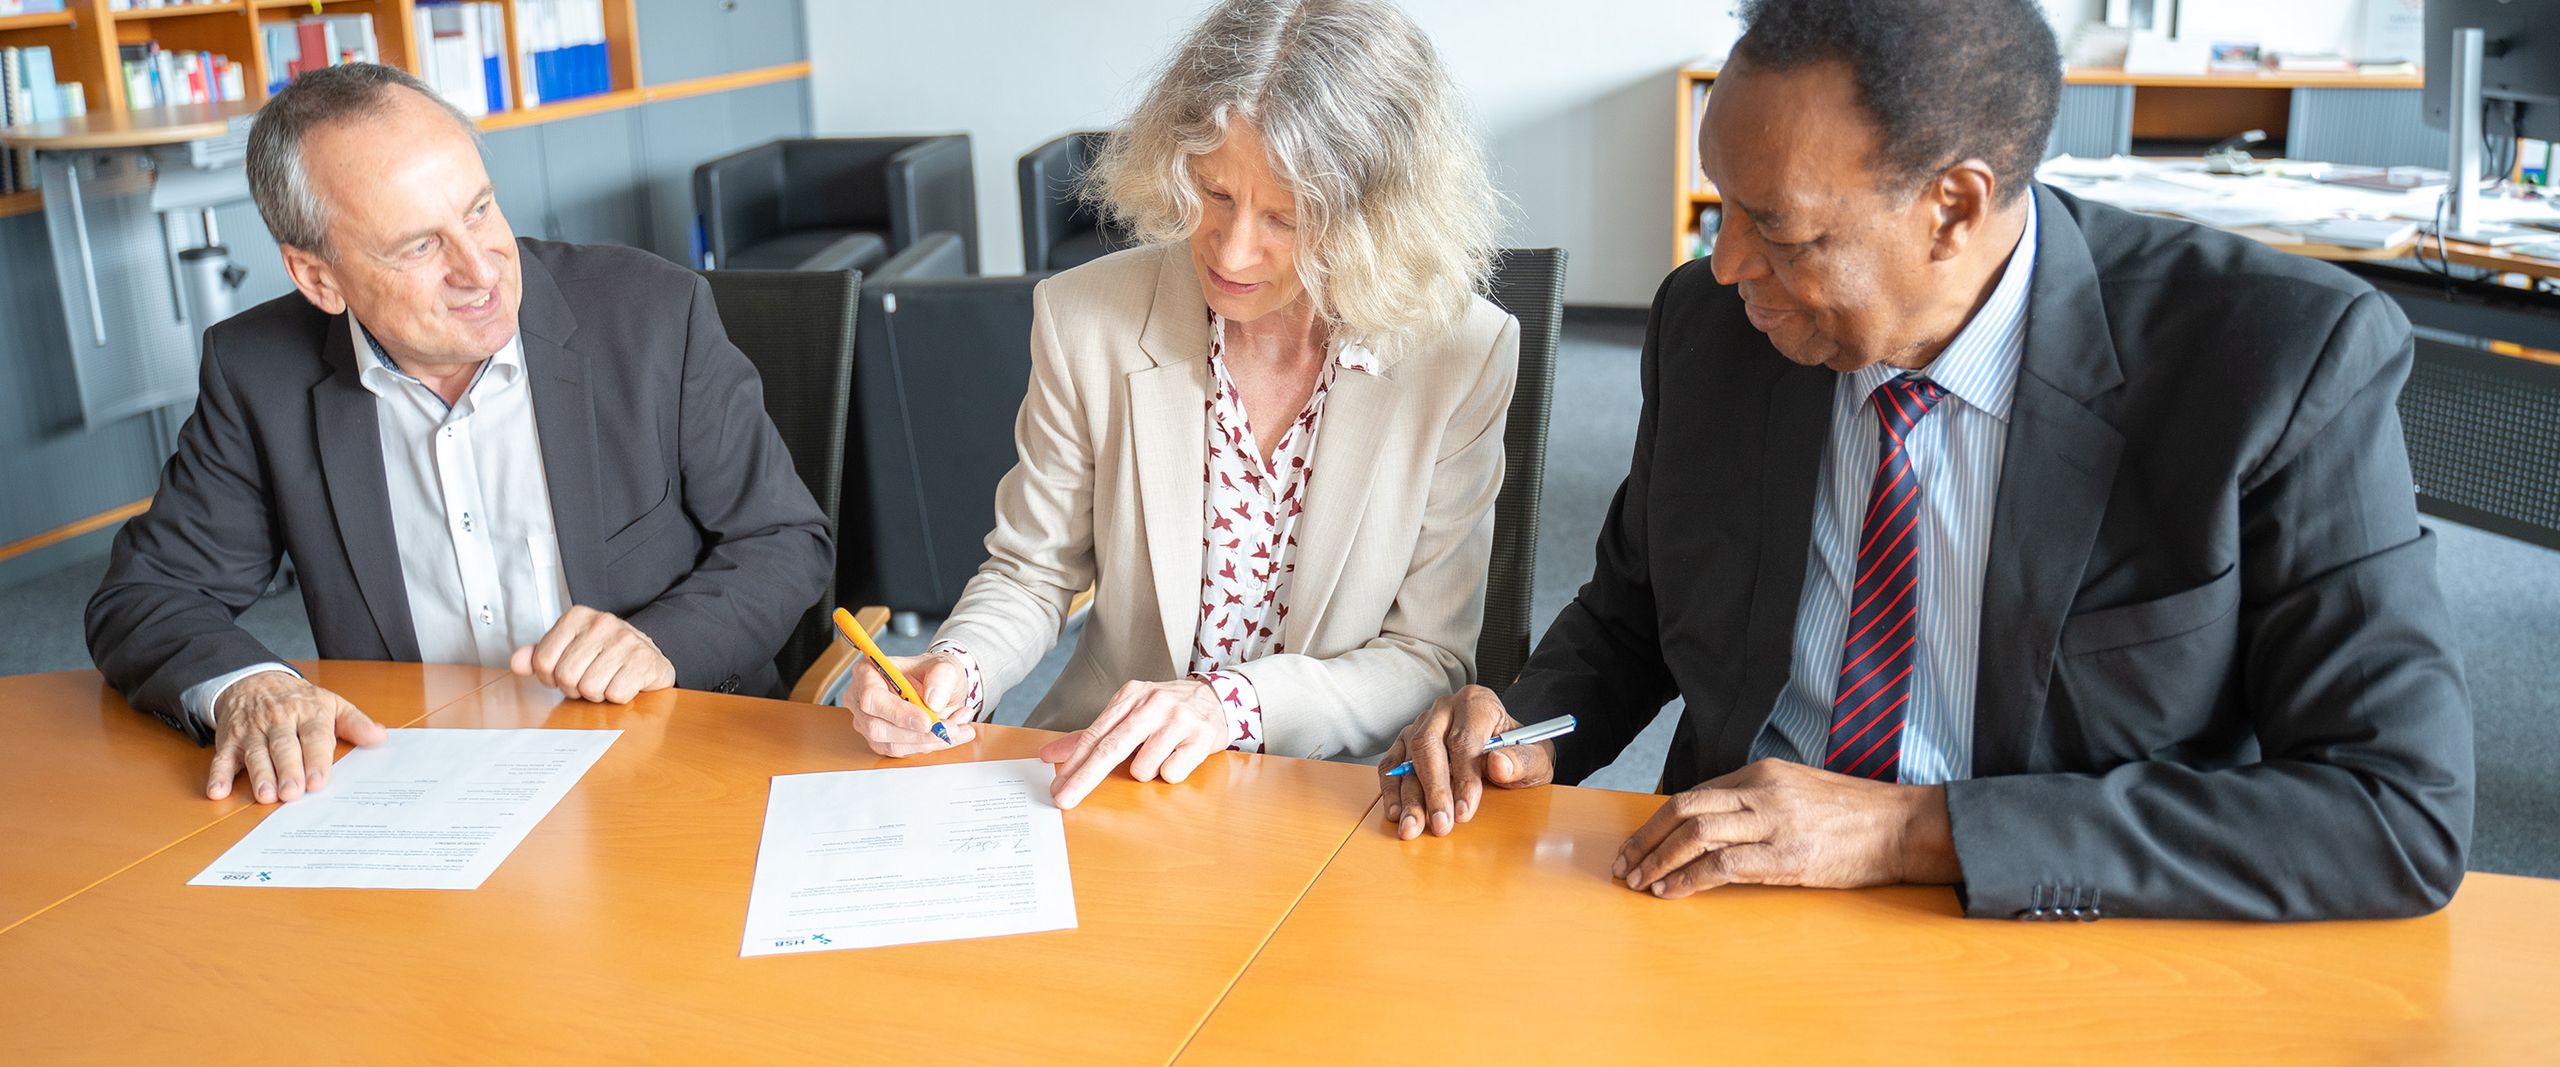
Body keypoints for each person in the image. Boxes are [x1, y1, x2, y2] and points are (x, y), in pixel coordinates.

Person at [1380, 0, 2473, 921]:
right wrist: (1525, 720)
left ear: (1952, 207)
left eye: (1777, 227)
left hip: (2050, 924)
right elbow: (1636, 611)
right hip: (1721, 910)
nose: (1725, 265)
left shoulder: (2268, 363)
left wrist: (1915, 830)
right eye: (1720, 207)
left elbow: (2392, 808)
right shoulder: (1714, 328)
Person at [86, 63, 832, 806]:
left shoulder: (652, 315)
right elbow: (147, 593)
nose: (481, 269)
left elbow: (785, 538)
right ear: (319, 279)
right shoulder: (260, 373)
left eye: (479, 209)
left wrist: (660, 642)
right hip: (427, 798)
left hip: (669, 769)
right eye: (419, 247)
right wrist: (251, 686)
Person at [843, 0, 1517, 809]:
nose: (1231, 251)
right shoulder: (1083, 316)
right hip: (1112, 780)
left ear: (1373, 220)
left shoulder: (1458, 354)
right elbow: (1032, 569)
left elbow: (1427, 655)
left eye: (1286, 218)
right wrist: (958, 666)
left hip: (1332, 795)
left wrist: (1228, 704)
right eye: (1213, 192)